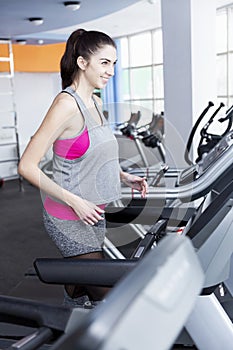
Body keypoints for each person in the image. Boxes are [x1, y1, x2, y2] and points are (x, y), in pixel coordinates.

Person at [18, 28, 148, 307]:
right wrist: (75, 201)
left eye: (114, 63)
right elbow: (27, 166)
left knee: (80, 287)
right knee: (108, 298)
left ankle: (67, 329)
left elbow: (94, 153)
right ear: (82, 62)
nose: (111, 71)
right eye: (104, 62)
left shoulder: (96, 102)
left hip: (92, 213)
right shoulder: (66, 105)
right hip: (68, 217)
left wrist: (123, 176)